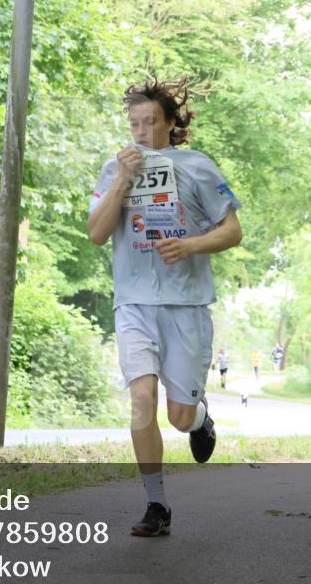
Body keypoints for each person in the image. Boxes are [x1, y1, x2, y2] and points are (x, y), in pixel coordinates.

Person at [87, 76, 243, 536]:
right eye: (134, 123)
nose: (141, 132)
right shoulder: (114, 167)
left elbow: (232, 231)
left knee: (177, 417)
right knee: (140, 402)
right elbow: (97, 234)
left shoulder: (198, 166)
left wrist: (191, 245)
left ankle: (199, 417)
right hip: (133, 302)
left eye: (151, 122)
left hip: (185, 304)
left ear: (172, 123)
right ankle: (156, 504)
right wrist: (122, 181)